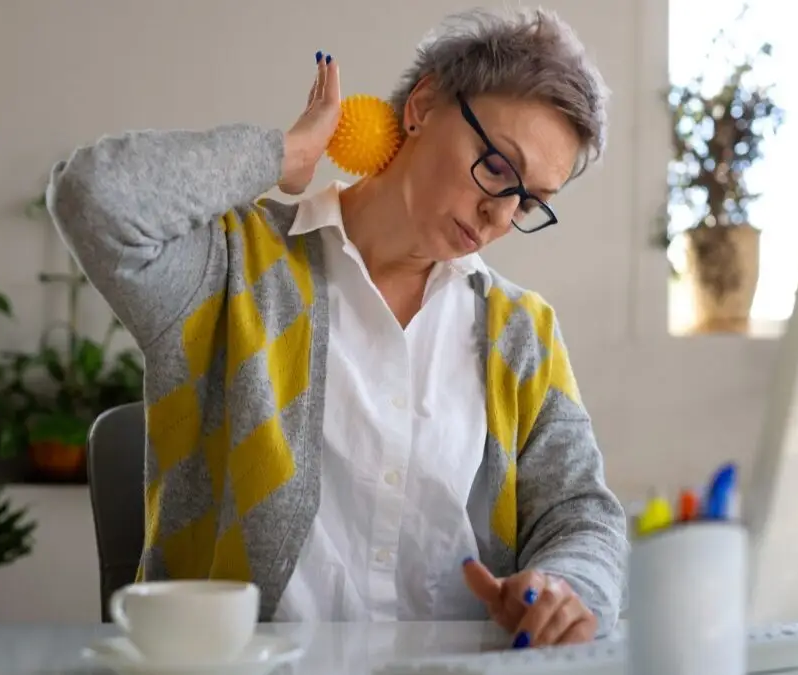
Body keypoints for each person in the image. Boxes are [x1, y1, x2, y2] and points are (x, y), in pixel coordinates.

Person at [48, 6, 628, 648]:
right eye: (496, 166)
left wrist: (567, 589)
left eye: (531, 200)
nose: (499, 213)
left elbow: (581, 513)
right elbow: (94, 197)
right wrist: (286, 154)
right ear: (424, 104)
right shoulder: (233, 267)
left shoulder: (521, 332)